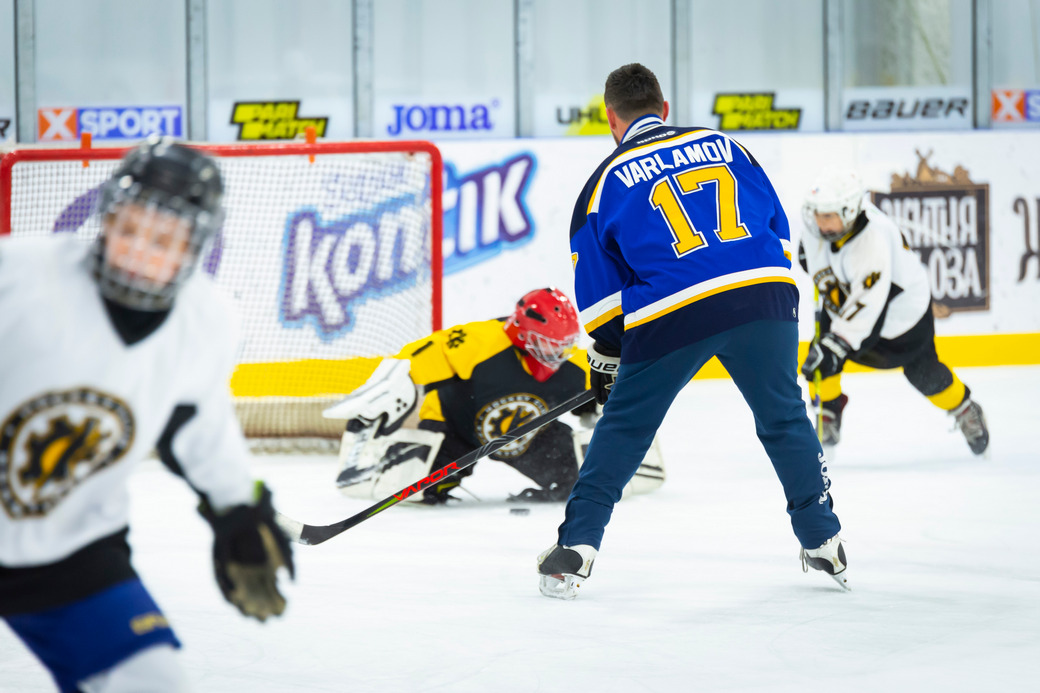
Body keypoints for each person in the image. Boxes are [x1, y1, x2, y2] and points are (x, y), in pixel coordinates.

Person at [536, 63, 847, 600]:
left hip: (675, 308)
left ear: (611, 118)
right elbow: (776, 229)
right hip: (765, 291)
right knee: (784, 415)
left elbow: (605, 304)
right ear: (665, 109)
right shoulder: (727, 144)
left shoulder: (604, 180)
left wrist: (612, 361)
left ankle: (577, 548)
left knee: (626, 427)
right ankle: (825, 540)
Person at [0, 137, 294, 692]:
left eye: (163, 238)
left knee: (152, 681)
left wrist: (239, 510)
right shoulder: (18, 275)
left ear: (195, 246)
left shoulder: (206, 320)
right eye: (129, 228)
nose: (138, 249)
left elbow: (200, 430)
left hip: (70, 544)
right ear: (107, 218)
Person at [323, 287, 665, 505]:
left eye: (563, 346)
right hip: (453, 430)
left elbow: (602, 405)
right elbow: (408, 365)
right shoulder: (477, 342)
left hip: (527, 435)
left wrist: (613, 416)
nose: (556, 355)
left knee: (577, 482)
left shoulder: (570, 366)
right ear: (522, 333)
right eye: (548, 345)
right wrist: (375, 413)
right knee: (417, 490)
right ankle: (389, 465)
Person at [798, 168, 990, 456]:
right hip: (852, 298)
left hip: (902, 314)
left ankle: (964, 407)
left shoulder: (873, 239)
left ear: (849, 210)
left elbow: (868, 305)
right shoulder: (821, 229)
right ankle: (829, 412)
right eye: (817, 214)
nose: (820, 223)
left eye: (827, 216)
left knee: (923, 374)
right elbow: (811, 261)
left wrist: (837, 342)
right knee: (823, 357)